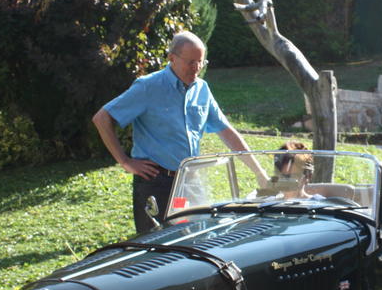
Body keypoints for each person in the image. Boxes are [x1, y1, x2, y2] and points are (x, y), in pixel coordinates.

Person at [92, 31, 267, 232]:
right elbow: (102, 118)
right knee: (159, 248)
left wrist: (259, 172)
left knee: (198, 237)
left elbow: (227, 132)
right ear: (172, 58)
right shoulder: (148, 87)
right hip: (157, 183)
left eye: (201, 62)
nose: (197, 68)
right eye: (191, 62)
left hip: (190, 181)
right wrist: (125, 161)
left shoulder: (202, 89)